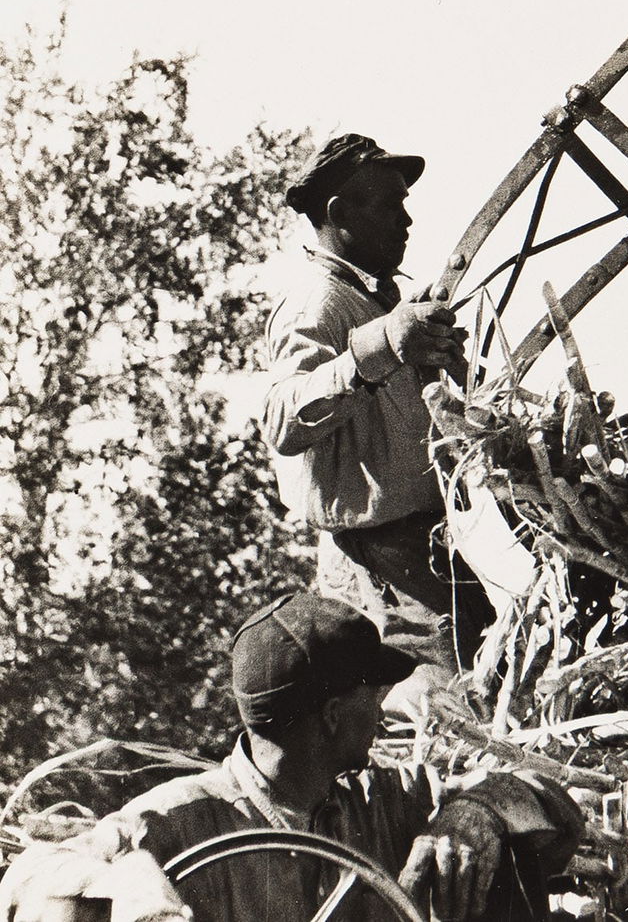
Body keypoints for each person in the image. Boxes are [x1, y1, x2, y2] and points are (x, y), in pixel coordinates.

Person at [0, 594, 584, 922]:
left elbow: (553, 805)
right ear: (331, 715)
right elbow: (26, 883)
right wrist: (125, 886)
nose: (383, 707)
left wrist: (477, 810)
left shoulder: (396, 802)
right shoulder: (174, 822)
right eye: (371, 690)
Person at [261, 134, 494, 670]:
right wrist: (380, 346)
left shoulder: (375, 298)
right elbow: (282, 420)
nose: (406, 220)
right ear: (340, 213)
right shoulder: (317, 303)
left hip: (426, 555)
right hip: (383, 569)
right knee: (436, 715)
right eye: (391, 204)